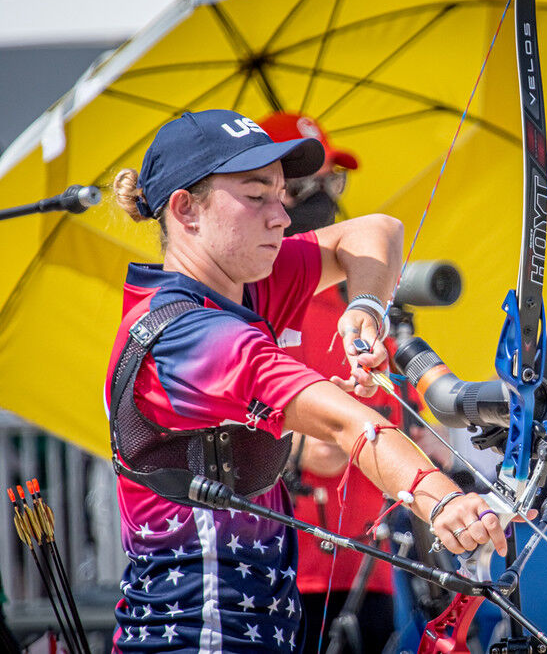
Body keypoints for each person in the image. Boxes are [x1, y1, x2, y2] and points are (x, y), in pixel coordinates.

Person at [104, 109, 515, 653]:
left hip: (257, 631)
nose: (280, 216)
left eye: (281, 195)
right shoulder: (189, 335)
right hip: (196, 639)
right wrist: (442, 501)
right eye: (256, 196)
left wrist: (364, 307)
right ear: (186, 210)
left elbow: (377, 230)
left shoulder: (248, 288)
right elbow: (350, 424)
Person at [259, 111, 398, 653]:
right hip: (280, 567)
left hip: (369, 565)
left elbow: (401, 407)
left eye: (330, 181)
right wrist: (298, 447)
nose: (321, 198)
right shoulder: (250, 298)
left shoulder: (367, 293)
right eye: (301, 188)